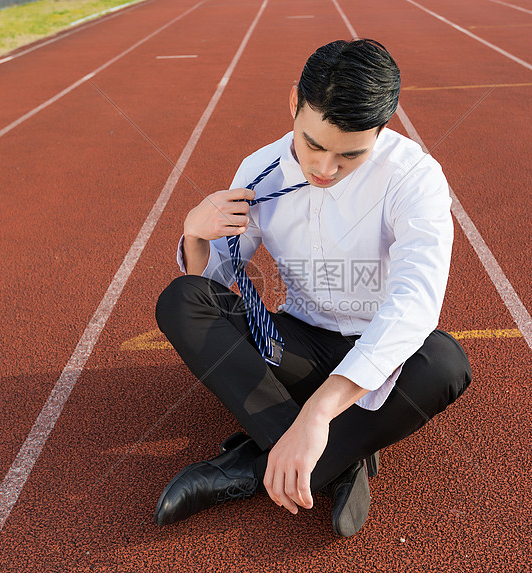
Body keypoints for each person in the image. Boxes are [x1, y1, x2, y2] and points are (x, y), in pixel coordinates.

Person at [154, 38, 471, 537]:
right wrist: (195, 231)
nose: (325, 169)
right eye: (313, 144)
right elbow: (210, 288)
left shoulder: (415, 178)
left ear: (382, 130)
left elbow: (415, 304)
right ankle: (343, 460)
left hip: (383, 361)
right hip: (296, 346)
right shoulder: (259, 170)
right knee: (181, 301)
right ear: (293, 105)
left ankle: (243, 469)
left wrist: (319, 414)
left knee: (445, 364)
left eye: (350, 155)